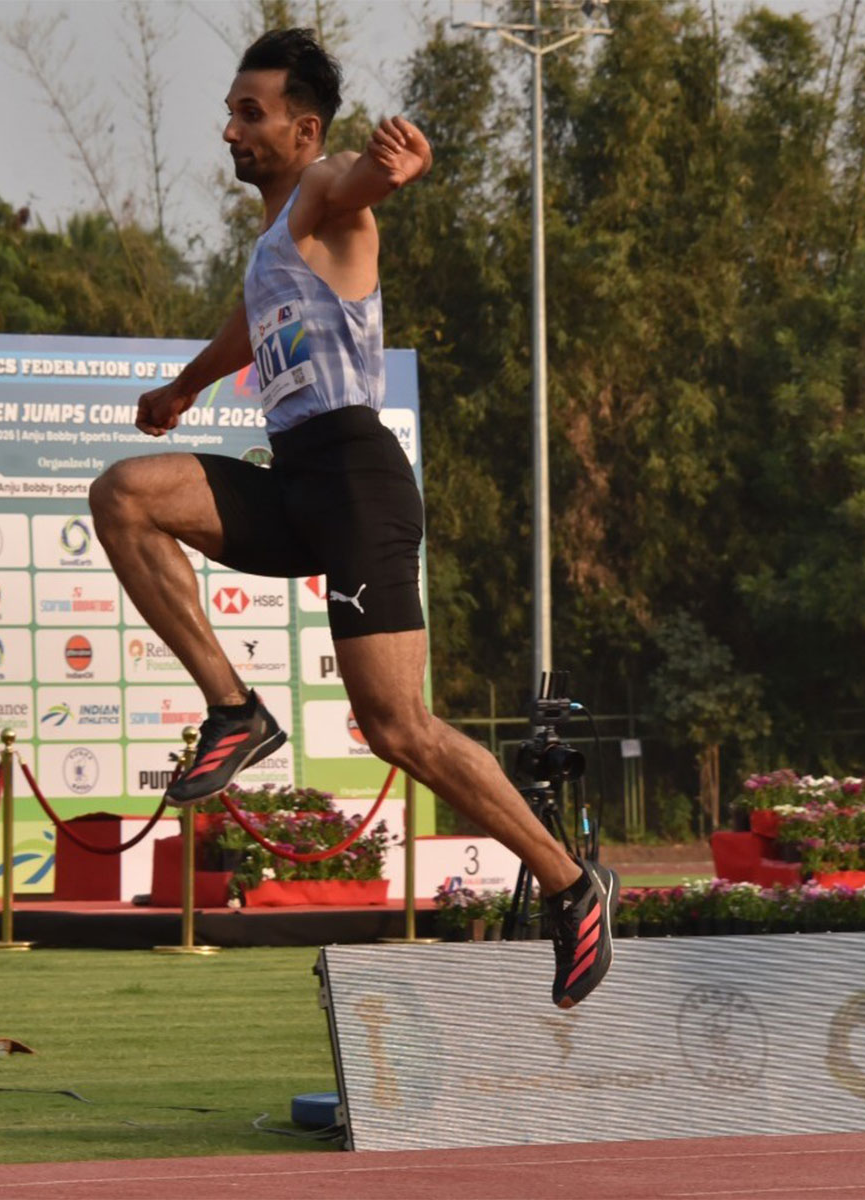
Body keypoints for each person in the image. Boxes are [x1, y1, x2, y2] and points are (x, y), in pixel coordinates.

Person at [88, 28, 616, 1008]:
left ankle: (569, 882)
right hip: (293, 481)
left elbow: (353, 187)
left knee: (397, 727)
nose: (229, 130)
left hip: (358, 481)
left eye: (251, 115)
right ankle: (235, 711)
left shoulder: (326, 187)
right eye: (232, 111)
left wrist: (395, 171)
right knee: (124, 494)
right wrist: (180, 389)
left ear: (303, 128)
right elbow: (250, 328)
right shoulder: (271, 244)